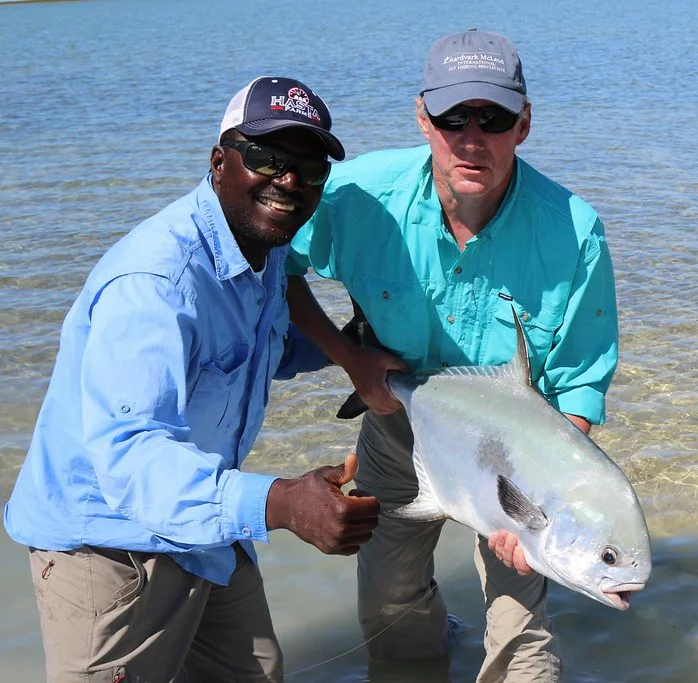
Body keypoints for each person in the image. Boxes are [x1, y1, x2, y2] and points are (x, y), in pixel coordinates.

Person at [3, 76, 381, 682]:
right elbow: (132, 457)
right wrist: (281, 503)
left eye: (310, 171)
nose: (289, 183)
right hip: (108, 546)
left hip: (203, 527)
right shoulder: (155, 285)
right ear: (218, 160)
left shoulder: (263, 242)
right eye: (267, 158)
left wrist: (351, 347)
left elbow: (260, 350)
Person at [285, 29, 618, 682]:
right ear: (421, 116)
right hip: (395, 421)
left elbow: (578, 385)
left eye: (492, 117)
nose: (472, 138)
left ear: (523, 125)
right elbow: (275, 265)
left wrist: (536, 504)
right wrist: (347, 358)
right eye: (452, 116)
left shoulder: (575, 233)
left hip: (519, 448)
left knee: (523, 632)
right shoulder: (356, 197)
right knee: (389, 605)